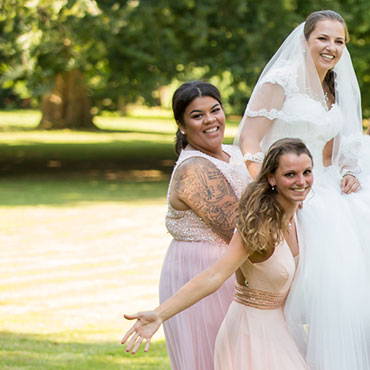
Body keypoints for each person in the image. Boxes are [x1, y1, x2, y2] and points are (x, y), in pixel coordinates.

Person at [236, 9, 370, 370]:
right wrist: (266, 190)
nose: (331, 47)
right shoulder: (281, 82)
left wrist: (348, 172)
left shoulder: (335, 89)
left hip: (324, 186)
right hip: (289, 191)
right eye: (323, 38)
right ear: (305, 40)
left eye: (339, 41)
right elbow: (249, 142)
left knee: (346, 293)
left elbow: (331, 151)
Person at [122, 138, 313, 370]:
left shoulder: (300, 216)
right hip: (251, 334)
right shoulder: (258, 224)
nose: (301, 181)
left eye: (307, 172)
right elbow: (214, 275)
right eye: (291, 174)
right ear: (271, 178)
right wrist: (160, 314)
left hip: (282, 330)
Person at [159, 81, 251, 370]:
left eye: (215, 110)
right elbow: (240, 228)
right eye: (197, 115)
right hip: (202, 272)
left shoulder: (233, 153)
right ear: (181, 125)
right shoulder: (194, 169)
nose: (210, 120)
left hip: (233, 265)